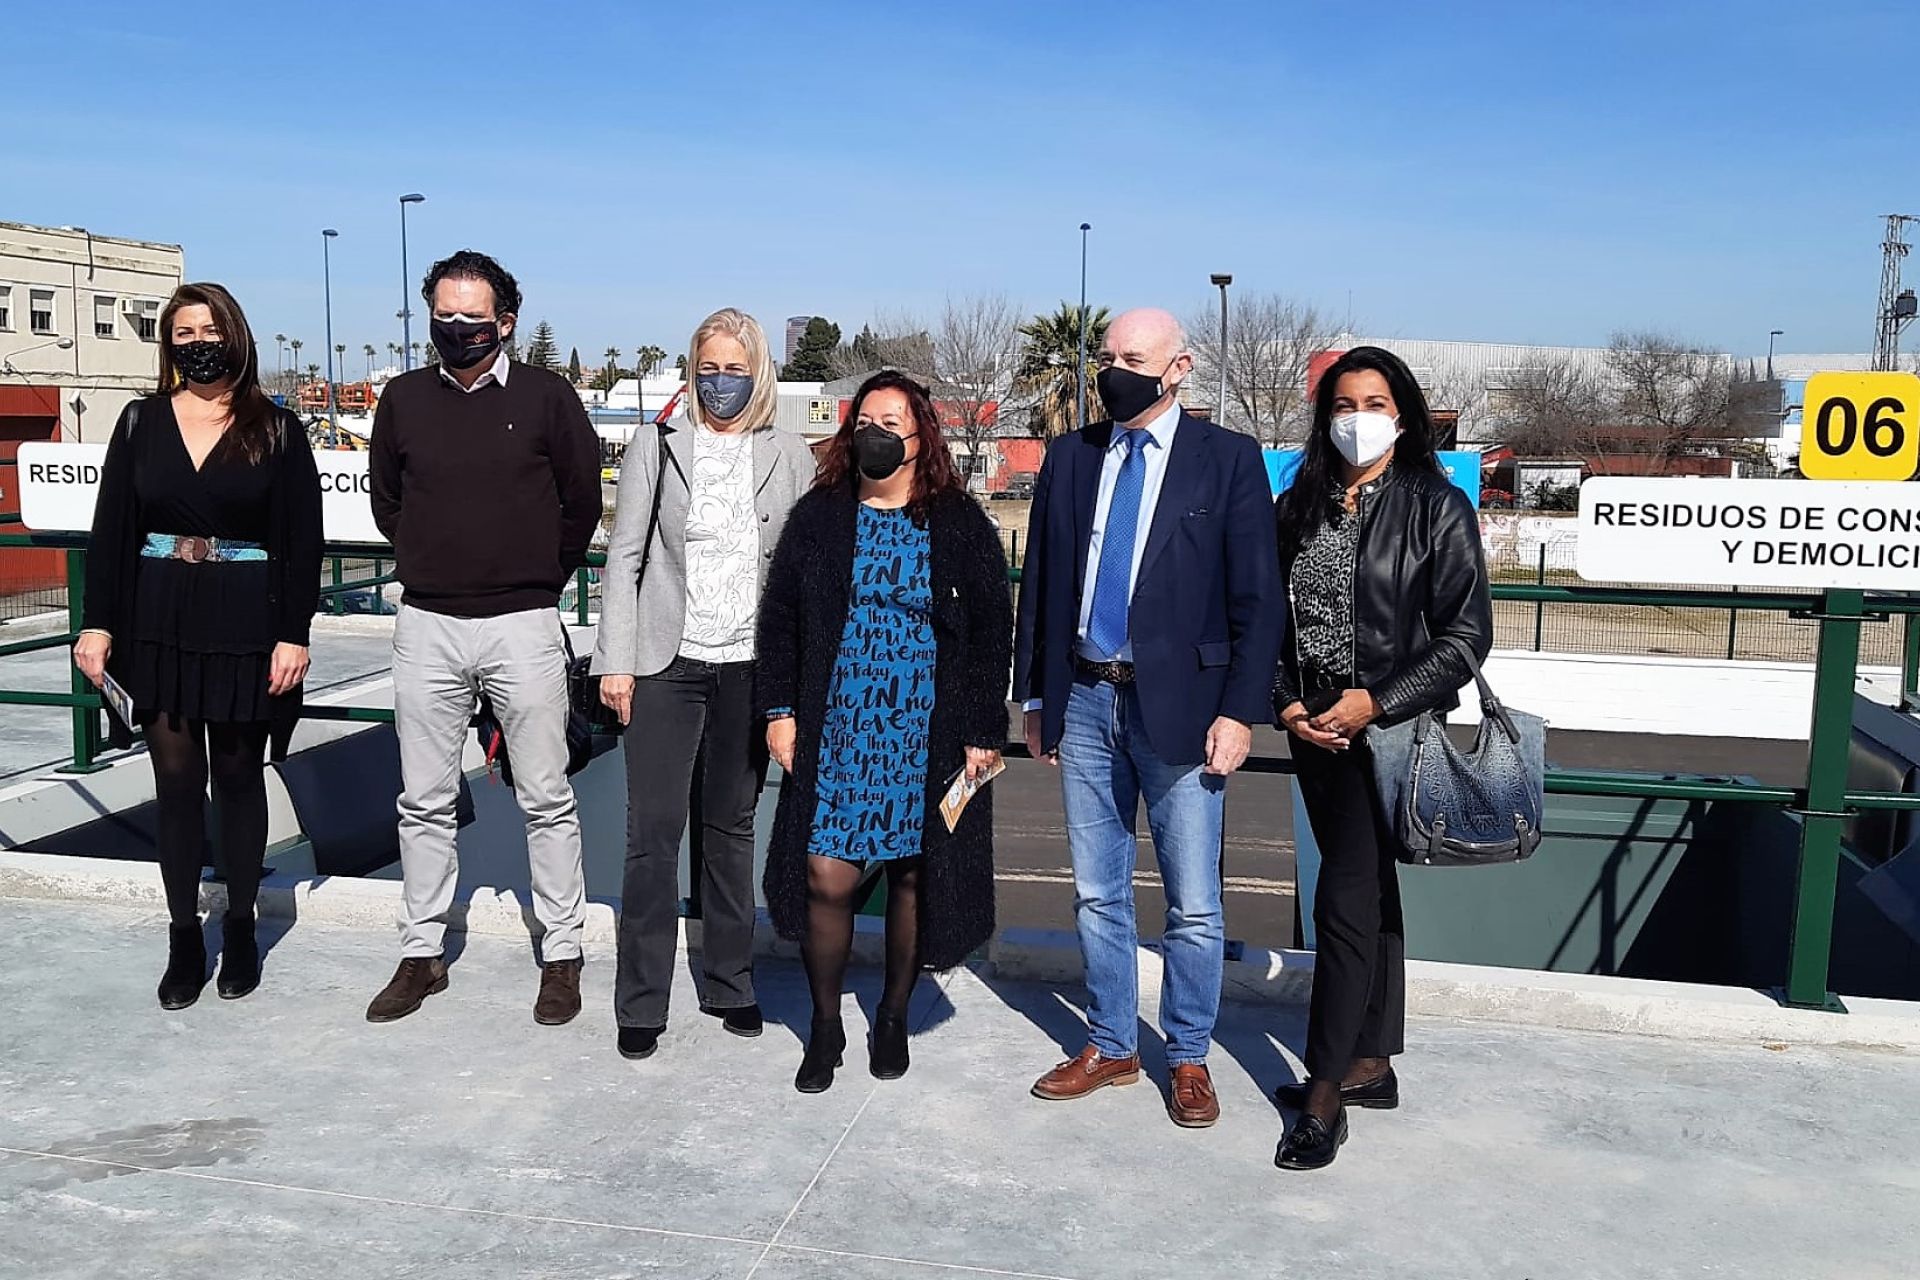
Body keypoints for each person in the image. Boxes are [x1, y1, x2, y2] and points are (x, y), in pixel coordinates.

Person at [1013, 307, 1284, 1129]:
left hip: (1186, 710)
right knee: (1098, 893)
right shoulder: (1072, 456)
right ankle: (1111, 1044)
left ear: (1178, 368)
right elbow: (1044, 583)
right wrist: (1036, 697)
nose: (1114, 372)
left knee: (1193, 903)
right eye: (1108, 357)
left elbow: (1258, 600)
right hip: (1086, 698)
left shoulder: (1227, 460)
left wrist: (1239, 712)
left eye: (1133, 358)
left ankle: (1188, 1054)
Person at [1269, 345, 1492, 1171]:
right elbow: (1264, 619)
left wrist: (1378, 702)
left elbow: (1466, 637)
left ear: (1402, 415)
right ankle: (1370, 1060)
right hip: (1315, 730)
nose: (1357, 419)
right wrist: (1286, 702)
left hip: (1390, 732)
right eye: (1342, 404)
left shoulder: (1437, 507)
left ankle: (1325, 1093)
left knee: (1342, 897)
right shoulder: (1298, 506)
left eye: (1374, 403)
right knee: (1366, 891)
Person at [366, 250, 602, 1026]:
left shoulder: (548, 398)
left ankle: (561, 954)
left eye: (472, 317)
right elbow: (388, 503)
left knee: (546, 796)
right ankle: (421, 953)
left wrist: (536, 579)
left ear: (505, 321)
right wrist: (433, 559)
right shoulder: (403, 400)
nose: (457, 328)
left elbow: (581, 503)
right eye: (444, 315)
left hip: (521, 626)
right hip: (427, 625)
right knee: (424, 801)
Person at [757, 372, 1011, 1093]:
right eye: (864, 421)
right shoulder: (821, 515)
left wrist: (981, 728)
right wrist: (780, 710)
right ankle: (825, 1025)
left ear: (921, 436)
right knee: (825, 873)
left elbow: (991, 629)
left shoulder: (957, 521)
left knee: (912, 874)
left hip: (925, 725)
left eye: (892, 423)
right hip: (838, 721)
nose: (876, 434)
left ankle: (893, 1014)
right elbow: (780, 618)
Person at [73, 282, 322, 1009]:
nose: (197, 343)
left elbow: (301, 542)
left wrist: (294, 634)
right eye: (183, 333)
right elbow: (112, 531)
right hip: (158, 619)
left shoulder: (277, 428)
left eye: (209, 330)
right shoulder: (139, 422)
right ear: (168, 345)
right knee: (177, 784)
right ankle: (185, 935)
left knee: (239, 778)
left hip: (247, 621)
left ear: (234, 335)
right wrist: (98, 623)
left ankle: (240, 926)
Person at [592, 309, 817, 1061]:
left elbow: (801, 570)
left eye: (734, 369)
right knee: (652, 836)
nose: (721, 382)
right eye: (709, 368)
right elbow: (624, 559)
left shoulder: (789, 454)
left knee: (730, 829)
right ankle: (641, 1000)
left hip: (749, 667)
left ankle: (730, 982)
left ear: (759, 374)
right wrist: (615, 660)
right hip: (667, 664)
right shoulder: (657, 446)